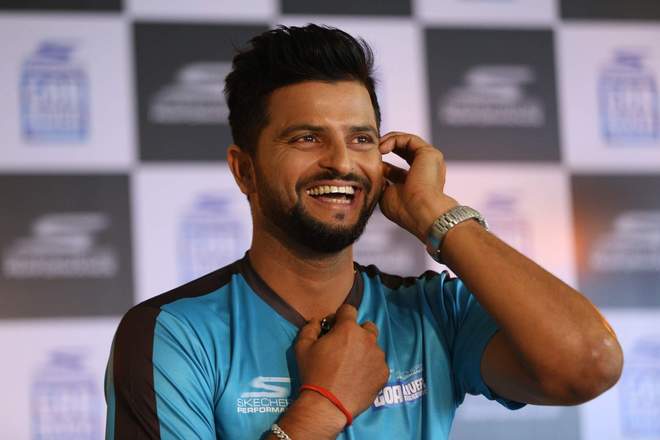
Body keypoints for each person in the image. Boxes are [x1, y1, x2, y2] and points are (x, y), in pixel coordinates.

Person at [105, 24, 623, 440]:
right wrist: (322, 408)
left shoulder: (433, 312)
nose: (341, 162)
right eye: (306, 138)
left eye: (361, 139)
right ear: (245, 171)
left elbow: (589, 365)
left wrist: (436, 214)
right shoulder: (174, 332)